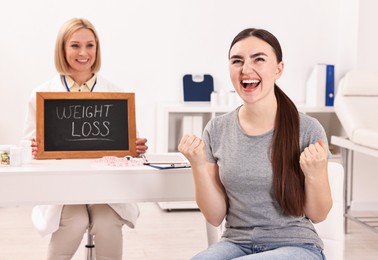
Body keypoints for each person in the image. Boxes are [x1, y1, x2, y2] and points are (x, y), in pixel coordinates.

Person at [178, 28, 332, 260]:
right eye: (237, 61)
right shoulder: (217, 130)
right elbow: (215, 216)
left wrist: (315, 173)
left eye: (258, 59)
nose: (246, 69)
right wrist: (198, 165)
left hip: (298, 246)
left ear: (279, 69)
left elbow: (318, 214)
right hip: (236, 243)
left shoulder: (308, 129)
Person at [23, 18, 148, 260]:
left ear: (97, 49)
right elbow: (27, 144)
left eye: (90, 45)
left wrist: (134, 148)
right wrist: (33, 148)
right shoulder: (42, 95)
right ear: (62, 49)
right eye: (75, 45)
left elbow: (126, 146)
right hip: (63, 187)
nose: (83, 53)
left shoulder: (116, 94)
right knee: (74, 220)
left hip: (106, 188)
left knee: (106, 221)